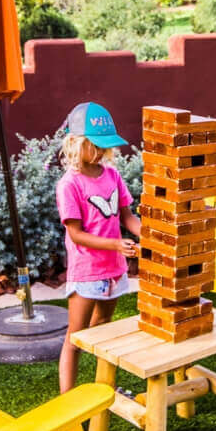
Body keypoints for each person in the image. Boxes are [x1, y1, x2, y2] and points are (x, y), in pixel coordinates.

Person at [56, 102, 140, 393]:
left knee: (105, 328)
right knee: (76, 338)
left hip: (114, 271)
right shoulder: (69, 185)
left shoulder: (113, 176)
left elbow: (128, 216)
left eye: (105, 147)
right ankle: (67, 401)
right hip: (87, 273)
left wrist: (151, 236)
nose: (102, 153)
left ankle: (104, 388)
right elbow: (76, 234)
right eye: (96, 146)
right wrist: (116, 244)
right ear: (75, 143)